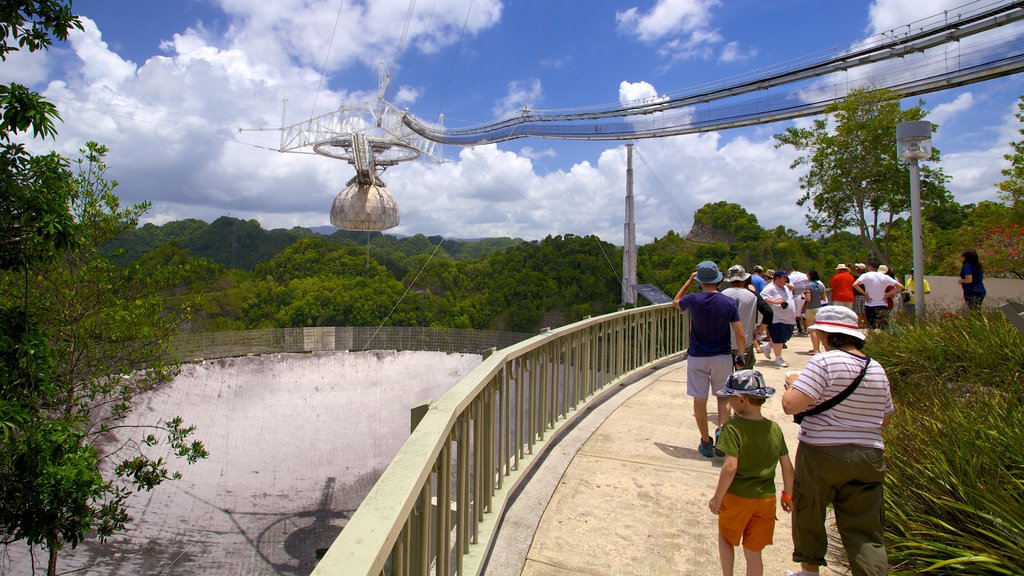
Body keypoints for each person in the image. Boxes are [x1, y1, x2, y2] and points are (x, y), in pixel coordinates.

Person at [781, 306, 895, 576]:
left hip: (822, 452)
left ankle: (809, 571)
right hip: (869, 455)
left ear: (827, 334)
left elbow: (790, 405)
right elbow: (885, 418)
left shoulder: (824, 362)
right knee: (865, 529)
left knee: (810, 511)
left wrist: (793, 384)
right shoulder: (875, 368)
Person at [709, 370, 795, 576]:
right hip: (765, 500)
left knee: (726, 538)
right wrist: (788, 495)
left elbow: (730, 467)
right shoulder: (774, 429)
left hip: (738, 497)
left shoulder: (732, 428)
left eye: (730, 397)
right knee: (754, 551)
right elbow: (787, 467)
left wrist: (717, 499)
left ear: (742, 400)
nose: (728, 402)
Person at [675, 261, 746, 458]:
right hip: (722, 356)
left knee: (700, 399)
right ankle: (722, 433)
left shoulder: (693, 300)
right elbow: (740, 334)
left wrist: (689, 282)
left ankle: (706, 442)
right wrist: (741, 355)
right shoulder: (728, 303)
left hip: (697, 356)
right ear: (718, 279)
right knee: (723, 398)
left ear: (699, 280)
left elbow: (676, 301)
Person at [723, 265, 758, 370]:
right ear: (744, 279)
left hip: (725, 343)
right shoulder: (752, 296)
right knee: (744, 377)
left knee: (725, 378)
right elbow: (756, 319)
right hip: (745, 342)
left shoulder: (722, 295)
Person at [759, 268, 796, 368]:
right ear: (777, 278)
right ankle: (778, 358)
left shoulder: (785, 287)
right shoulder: (770, 287)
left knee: (785, 337)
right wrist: (775, 302)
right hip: (777, 318)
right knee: (779, 338)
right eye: (784, 278)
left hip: (788, 318)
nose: (785, 280)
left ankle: (767, 347)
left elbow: (791, 288)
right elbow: (762, 297)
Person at [852, 260, 902, 330]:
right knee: (883, 327)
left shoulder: (865, 275)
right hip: (882, 304)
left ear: (870, 267)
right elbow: (900, 286)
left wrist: (864, 293)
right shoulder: (885, 276)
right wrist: (887, 294)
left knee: (871, 327)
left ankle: (873, 340)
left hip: (870, 304)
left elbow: (854, 285)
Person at [803, 270, 825, 354]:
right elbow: (823, 298)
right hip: (819, 308)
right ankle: (817, 348)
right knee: (818, 330)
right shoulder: (821, 286)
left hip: (811, 308)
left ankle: (815, 349)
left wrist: (803, 295)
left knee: (813, 330)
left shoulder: (808, 286)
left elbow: (808, 299)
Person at [788, 267, 810, 336]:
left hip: (795, 296)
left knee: (793, 314)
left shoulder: (790, 277)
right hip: (802, 296)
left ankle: (793, 331)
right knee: (799, 314)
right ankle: (800, 329)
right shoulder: (803, 275)